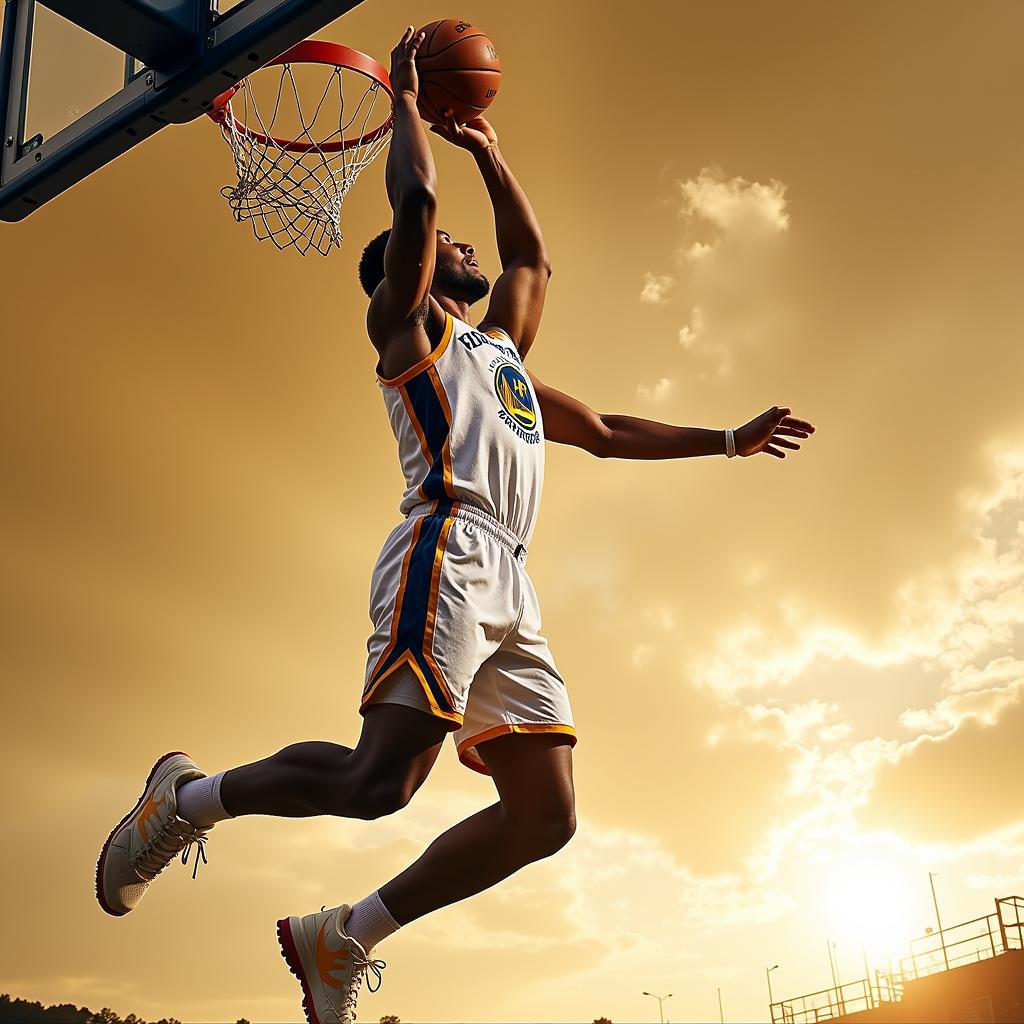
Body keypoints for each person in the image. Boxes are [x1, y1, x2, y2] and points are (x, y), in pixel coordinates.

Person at [94, 27, 816, 1024]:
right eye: (448, 248)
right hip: (446, 547)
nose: (471, 250)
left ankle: (341, 934)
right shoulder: (410, 329)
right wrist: (398, 99)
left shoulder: (501, 357)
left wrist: (728, 438)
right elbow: (420, 208)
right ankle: (181, 800)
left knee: (545, 815)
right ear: (414, 265)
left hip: (508, 580)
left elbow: (591, 400)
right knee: (376, 782)